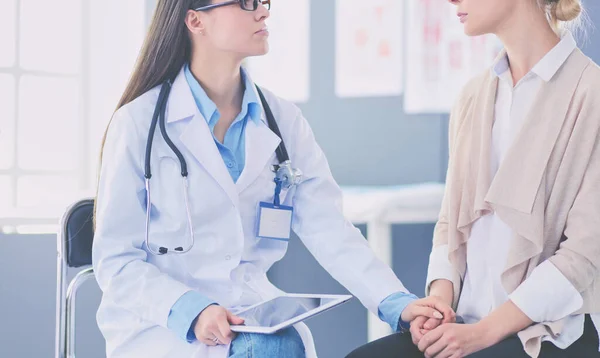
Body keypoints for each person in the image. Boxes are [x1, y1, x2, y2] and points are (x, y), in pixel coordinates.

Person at [92, 1, 453, 357]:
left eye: (264, 2)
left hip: (252, 317)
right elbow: (116, 261)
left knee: (277, 345)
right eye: (246, 3)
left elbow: (328, 227)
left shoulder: (282, 119)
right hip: (162, 328)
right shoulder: (139, 124)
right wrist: (191, 310)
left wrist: (395, 303)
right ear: (195, 20)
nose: (263, 11)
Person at [346, 0, 600, 357]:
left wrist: (482, 334)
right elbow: (450, 224)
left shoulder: (591, 93)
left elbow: (584, 254)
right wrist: (438, 304)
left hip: (547, 335)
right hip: (466, 324)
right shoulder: (473, 96)